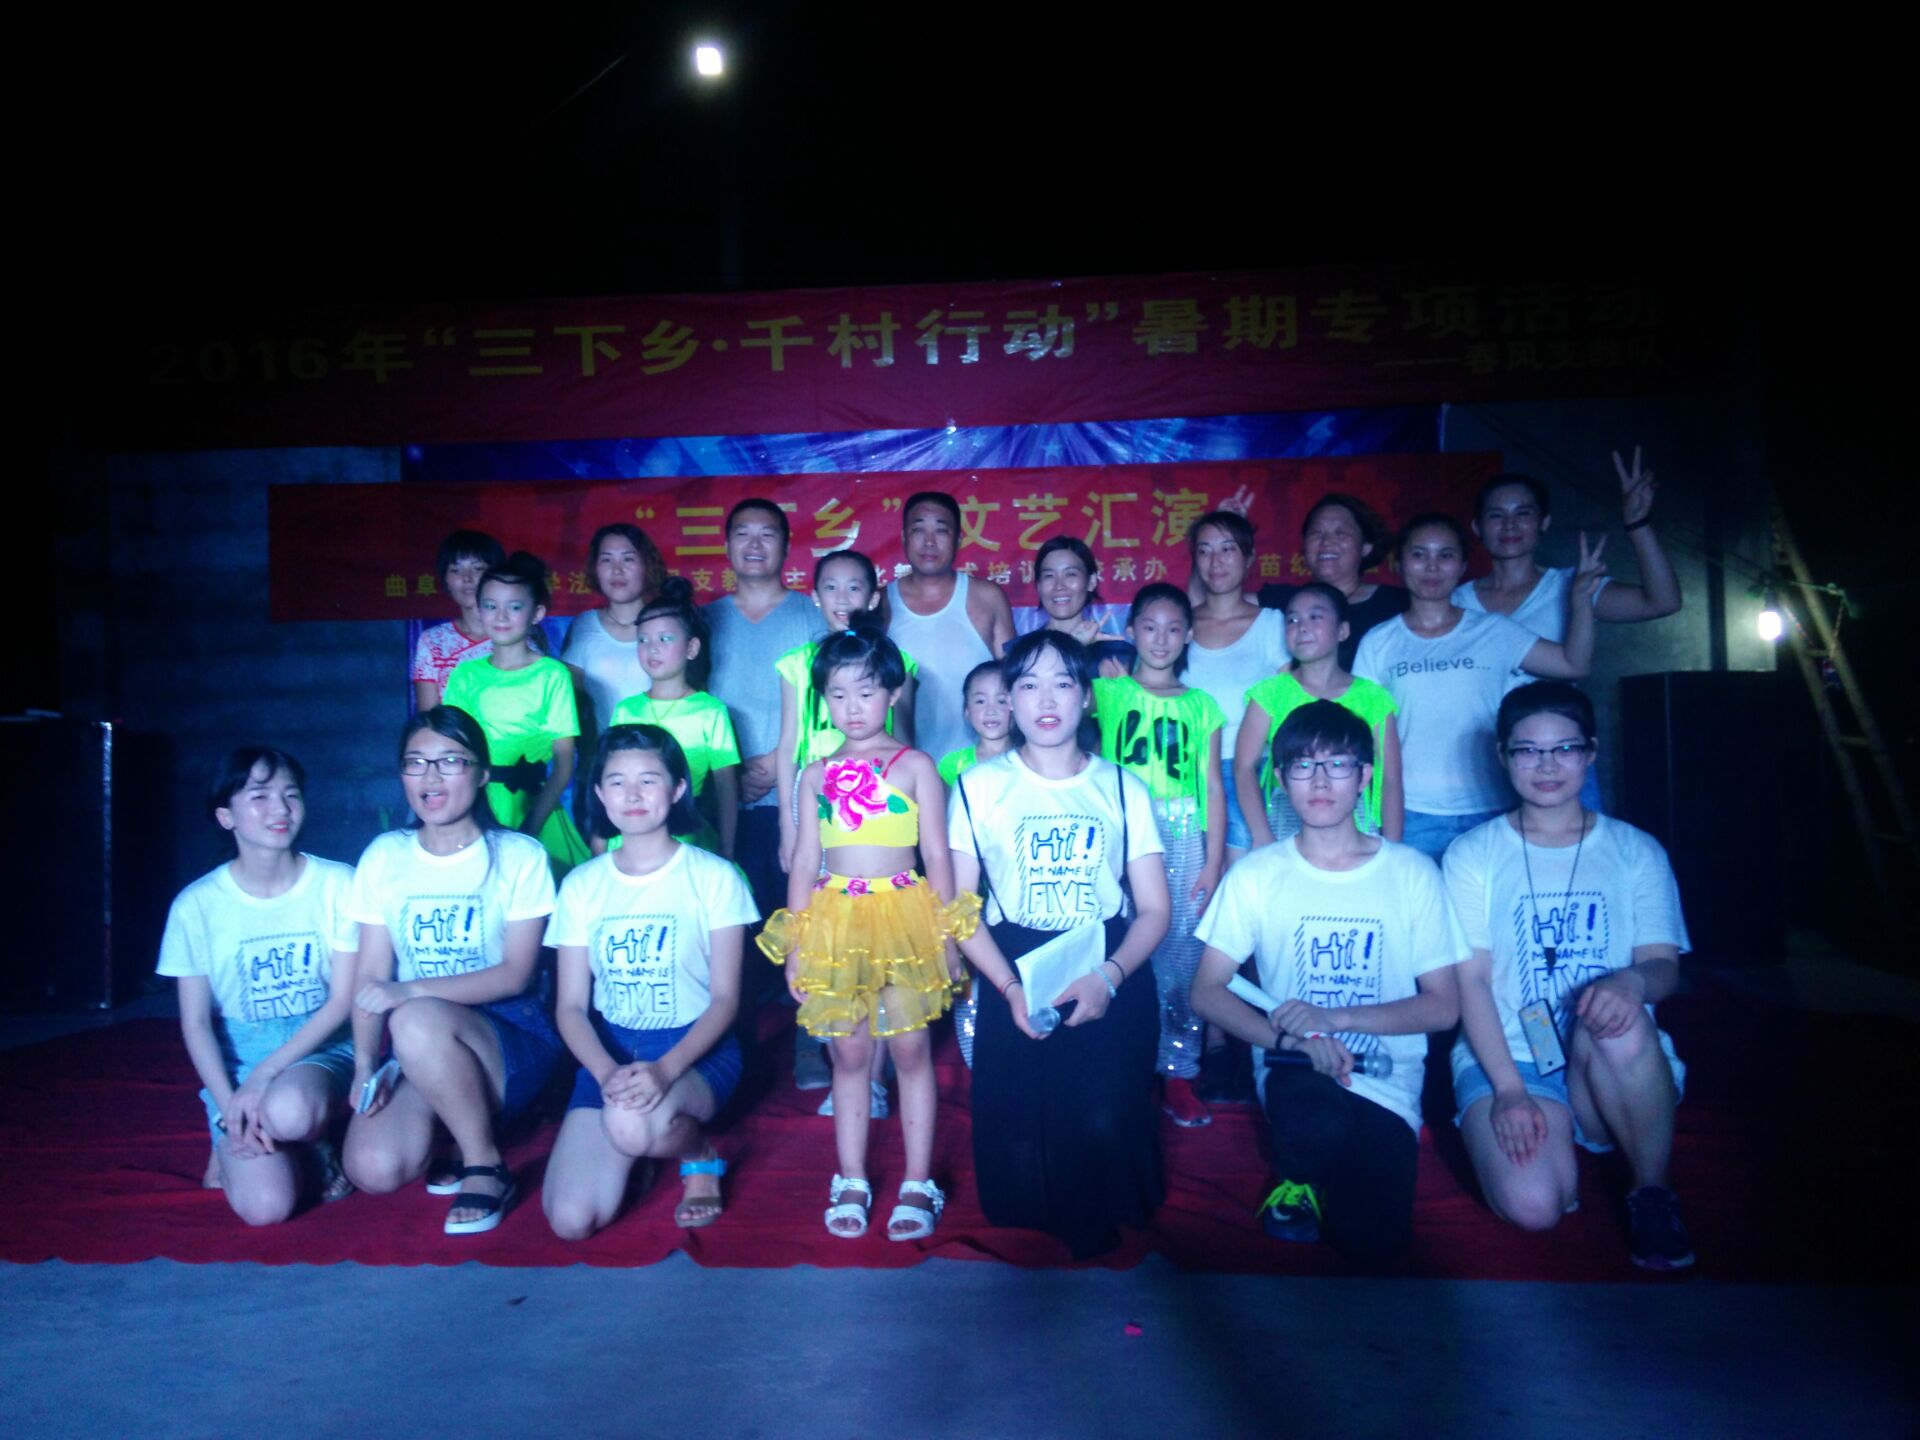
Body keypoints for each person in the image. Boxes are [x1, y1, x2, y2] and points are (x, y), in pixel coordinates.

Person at [1192, 702, 1467, 1272]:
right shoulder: (1257, 874)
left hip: (1385, 1078)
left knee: (1373, 1244)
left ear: (1365, 776)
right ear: (1281, 778)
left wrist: (1335, 1019)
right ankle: (1298, 1175)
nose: (1320, 782)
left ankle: (1328, 1181)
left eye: (1337, 764)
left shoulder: (1411, 872)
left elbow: (1443, 1007)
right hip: (1295, 1071)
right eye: (1302, 766)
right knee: (1314, 1121)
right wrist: (1291, 1041)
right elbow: (1207, 991)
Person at [1445, 681, 1695, 1270]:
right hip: (1513, 1054)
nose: (1547, 766)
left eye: (1564, 749)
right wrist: (1508, 1090)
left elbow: (1663, 966)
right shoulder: (1473, 853)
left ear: (1590, 753)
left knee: (1620, 1017)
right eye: (1527, 750)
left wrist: (1632, 982)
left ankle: (1652, 1191)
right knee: (1534, 1207)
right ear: (1503, 756)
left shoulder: (1635, 850)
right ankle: (1560, 1144)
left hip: (1607, 1054)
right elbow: (1471, 981)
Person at [949, 631, 1172, 1259]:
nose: (1046, 701)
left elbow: (1155, 910)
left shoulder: (1123, 787)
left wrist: (1108, 978)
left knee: (1103, 1125)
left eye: (1063, 683)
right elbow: (960, 912)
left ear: (1087, 697)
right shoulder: (977, 787)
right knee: (1023, 1160)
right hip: (1014, 962)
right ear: (1009, 700)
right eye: (1028, 685)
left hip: (1108, 958)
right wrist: (1009, 989)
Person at [757, 629, 979, 1240]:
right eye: (837, 694)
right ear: (822, 700)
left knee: (910, 1050)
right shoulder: (815, 774)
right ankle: (851, 1176)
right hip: (835, 920)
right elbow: (806, 861)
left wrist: (948, 937)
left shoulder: (916, 766)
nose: (852, 707)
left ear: (892, 692)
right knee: (850, 1054)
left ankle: (918, 1180)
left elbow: (938, 854)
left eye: (865, 691)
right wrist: (797, 944)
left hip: (905, 918)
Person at [342, 707, 561, 1236]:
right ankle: (451, 1125)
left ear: (482, 773)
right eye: (416, 762)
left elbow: (516, 975)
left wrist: (409, 991)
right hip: (419, 1043)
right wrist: (365, 1063)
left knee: (414, 1018)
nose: (431, 777)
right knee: (373, 1169)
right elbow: (370, 972)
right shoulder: (385, 855)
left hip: (509, 1036)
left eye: (450, 761)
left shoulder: (519, 856)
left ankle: (484, 1161)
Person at [543, 725, 758, 1239]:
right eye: (617, 782)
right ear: (599, 794)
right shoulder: (582, 885)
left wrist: (665, 1070)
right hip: (610, 1055)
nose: (633, 795)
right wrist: (604, 1073)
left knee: (630, 1124)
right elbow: (570, 1007)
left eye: (649, 780)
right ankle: (637, 1145)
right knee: (570, 1221)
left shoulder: (714, 877)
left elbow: (726, 1000)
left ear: (678, 788)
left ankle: (699, 1155)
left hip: (692, 1050)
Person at [157, 747, 359, 1224]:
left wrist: (265, 1077)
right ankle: (248, 1146)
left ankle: (316, 1139)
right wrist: (232, 1109)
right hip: (240, 1057)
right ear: (225, 816)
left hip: (319, 1047)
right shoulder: (196, 906)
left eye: (291, 794)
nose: (280, 809)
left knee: (291, 1112)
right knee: (266, 1209)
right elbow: (196, 1024)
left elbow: (343, 1001)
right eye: (260, 796)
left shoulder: (337, 884)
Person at [1354, 514, 1599, 860]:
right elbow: (1367, 737)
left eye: (1445, 555)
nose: (1432, 566)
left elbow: (1574, 664)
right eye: (1419, 554)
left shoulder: (1495, 631)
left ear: (1462, 566)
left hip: (1496, 810)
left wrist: (1581, 600)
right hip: (1413, 814)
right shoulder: (1378, 643)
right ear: (1400, 563)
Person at [1458, 453, 1683, 810]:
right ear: (1477, 527)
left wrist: (1638, 524)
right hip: (1480, 764)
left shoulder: (1571, 586)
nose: (1510, 525)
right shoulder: (1456, 601)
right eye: (1496, 515)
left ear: (1544, 522)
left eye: (1523, 513)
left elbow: (1663, 601)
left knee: (1574, 845)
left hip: (1556, 760)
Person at [702, 499, 829, 1087]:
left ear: (786, 546)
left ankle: (813, 1041)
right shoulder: (703, 620)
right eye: (743, 534)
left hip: (800, 800)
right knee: (733, 931)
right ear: (727, 545)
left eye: (768, 534)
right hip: (720, 801)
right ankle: (734, 1054)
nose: (755, 545)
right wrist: (732, 771)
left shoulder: (811, 616)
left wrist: (776, 764)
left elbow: (830, 706)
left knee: (808, 924)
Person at [1091, 583, 1226, 1127]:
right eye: (1149, 627)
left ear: (1189, 635)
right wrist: (1086, 646)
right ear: (1130, 631)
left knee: (1180, 952)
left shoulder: (1202, 705)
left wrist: (1213, 860)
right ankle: (1118, 1066)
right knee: (1117, 941)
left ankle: (1178, 1070)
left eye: (1174, 628)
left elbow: (1211, 785)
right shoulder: (1109, 691)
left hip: (1182, 831)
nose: (1161, 639)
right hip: (1119, 828)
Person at [443, 552, 591, 878]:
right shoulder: (465, 675)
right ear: (479, 609)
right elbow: (451, 749)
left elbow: (564, 762)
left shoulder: (551, 675)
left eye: (514, 607)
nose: (501, 616)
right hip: (476, 807)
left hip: (535, 807)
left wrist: (530, 828)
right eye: (491, 605)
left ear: (536, 613)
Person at [775, 552, 920, 875]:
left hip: (880, 787)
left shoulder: (896, 661)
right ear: (815, 596)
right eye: (831, 587)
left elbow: (905, 738)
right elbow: (787, 746)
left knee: (874, 879)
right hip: (815, 788)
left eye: (853, 588)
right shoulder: (795, 664)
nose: (842, 598)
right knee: (817, 882)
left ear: (873, 599)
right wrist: (786, 821)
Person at [1236, 582, 1403, 846]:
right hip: (1285, 825)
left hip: (1357, 829)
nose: (1302, 627)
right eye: (1292, 620)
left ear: (1342, 630)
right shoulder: (1269, 694)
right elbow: (1244, 768)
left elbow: (1390, 778)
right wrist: (1262, 836)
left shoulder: (1373, 698)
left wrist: (1391, 846)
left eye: (1315, 617)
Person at [1184, 510, 1290, 865]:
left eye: (1227, 549)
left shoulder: (1272, 624)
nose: (1215, 561)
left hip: (1252, 772)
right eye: (1205, 550)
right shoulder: (1178, 625)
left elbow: (1292, 706)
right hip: (1186, 775)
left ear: (1249, 558)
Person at [607, 579, 740, 858]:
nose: (652, 648)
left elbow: (726, 789)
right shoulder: (626, 710)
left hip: (687, 837)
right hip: (627, 839)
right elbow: (610, 780)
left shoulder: (710, 711)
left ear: (692, 648)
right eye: (643, 640)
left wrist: (727, 846)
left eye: (665, 639)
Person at [886, 491, 1014, 765]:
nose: (929, 541)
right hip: (905, 773)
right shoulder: (881, 603)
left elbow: (1014, 681)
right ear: (904, 537)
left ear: (958, 539)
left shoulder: (987, 597)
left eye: (941, 531)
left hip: (982, 769)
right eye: (919, 530)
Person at [1256, 494, 1409, 670]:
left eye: (1340, 533)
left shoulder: (1398, 604)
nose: (1327, 542)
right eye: (1317, 533)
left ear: (1366, 547)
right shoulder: (1281, 600)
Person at [560, 522, 663, 736]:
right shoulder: (584, 625)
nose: (617, 570)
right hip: (602, 751)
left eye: (628, 559)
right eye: (606, 560)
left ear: (647, 565)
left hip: (663, 750)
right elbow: (568, 698)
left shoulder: (668, 623)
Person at [411, 529, 506, 709]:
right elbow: (430, 716)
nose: (467, 578)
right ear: (446, 580)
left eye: (478, 568)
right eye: (455, 570)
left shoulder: (515, 635)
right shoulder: (433, 641)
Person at [1026, 535, 1132, 674]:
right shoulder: (1020, 651)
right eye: (1049, 576)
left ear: (1091, 582)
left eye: (1070, 574)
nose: (1059, 586)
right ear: (1038, 586)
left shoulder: (1117, 654)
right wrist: (1075, 644)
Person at [937, 660, 1013, 787]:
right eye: (980, 701)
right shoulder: (953, 765)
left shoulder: (1030, 760)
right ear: (967, 710)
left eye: (1001, 701)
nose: (990, 711)